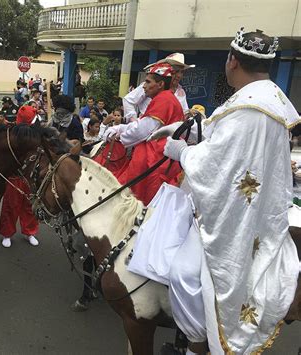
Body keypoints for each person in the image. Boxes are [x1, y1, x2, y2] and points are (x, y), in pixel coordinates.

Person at [156, 28, 301, 354]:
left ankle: (199, 344)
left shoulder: (248, 107)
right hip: (260, 207)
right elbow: (226, 139)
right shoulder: (270, 97)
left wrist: (178, 150)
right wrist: (192, 130)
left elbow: (214, 167)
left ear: (233, 60)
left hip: (237, 214)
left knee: (182, 273)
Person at [104, 63, 184, 205]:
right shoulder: (164, 98)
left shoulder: (164, 100)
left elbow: (143, 130)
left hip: (157, 157)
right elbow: (143, 124)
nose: (144, 86)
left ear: (160, 84)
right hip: (160, 153)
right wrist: (122, 128)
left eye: (148, 82)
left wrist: (120, 136)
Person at [0, 106, 40, 248]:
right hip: (14, 176)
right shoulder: (11, 135)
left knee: (30, 206)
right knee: (10, 205)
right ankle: (7, 233)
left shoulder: (36, 134)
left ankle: (30, 232)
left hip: (30, 177)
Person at [123, 53, 193, 122]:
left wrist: (191, 113)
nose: (179, 75)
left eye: (182, 72)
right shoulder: (151, 85)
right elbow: (128, 100)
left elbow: (183, 112)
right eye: (176, 71)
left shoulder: (181, 91)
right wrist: (134, 121)